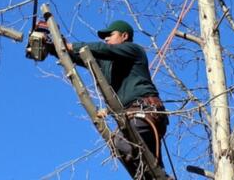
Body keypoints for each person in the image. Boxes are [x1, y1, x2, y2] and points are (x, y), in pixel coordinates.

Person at [59, 20, 169, 179]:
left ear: (124, 36)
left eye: (110, 35)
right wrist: (54, 46)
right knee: (146, 169)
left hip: (145, 112)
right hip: (132, 117)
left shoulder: (134, 50)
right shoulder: (107, 63)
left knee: (120, 144)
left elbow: (101, 49)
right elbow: (80, 57)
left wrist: (72, 45)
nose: (106, 39)